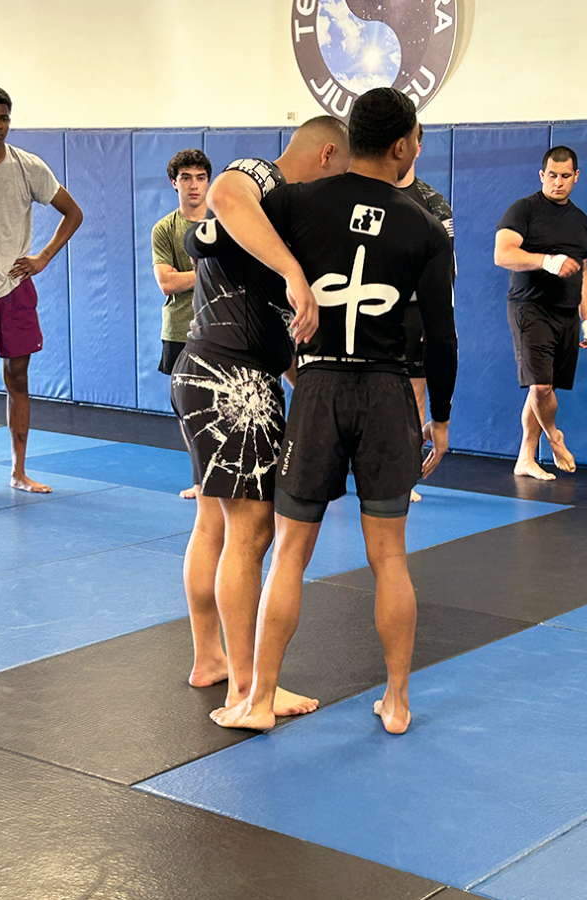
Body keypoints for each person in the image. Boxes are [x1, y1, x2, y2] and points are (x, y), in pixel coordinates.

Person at [208, 87, 457, 736]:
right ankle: (397, 702)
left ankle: (258, 699)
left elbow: (223, 221)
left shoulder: (294, 202)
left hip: (317, 389)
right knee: (389, 557)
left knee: (289, 552)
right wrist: (440, 418)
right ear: (402, 146)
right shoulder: (425, 226)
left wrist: (291, 284)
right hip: (382, 392)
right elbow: (441, 333)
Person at [170, 116, 350, 718]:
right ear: (327, 155)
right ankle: (248, 689)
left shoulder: (279, 224)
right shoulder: (262, 177)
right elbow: (222, 194)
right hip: (231, 379)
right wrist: (297, 276)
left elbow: (278, 334)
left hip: (218, 370)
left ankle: (211, 660)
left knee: (215, 527)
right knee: (252, 532)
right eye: (342, 173)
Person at [0, 84, 83, 492]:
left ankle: (18, 472)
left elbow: (73, 213)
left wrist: (42, 258)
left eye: (3, 117)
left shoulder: (27, 167)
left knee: (18, 376)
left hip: (16, 286)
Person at [494, 146, 587, 481]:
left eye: (566, 176)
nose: (558, 182)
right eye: (552, 175)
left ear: (576, 177)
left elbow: (583, 273)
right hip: (529, 307)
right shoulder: (523, 209)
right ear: (542, 175)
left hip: (566, 312)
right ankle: (554, 436)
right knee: (540, 387)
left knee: (544, 388)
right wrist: (546, 261)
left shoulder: (580, 220)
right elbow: (503, 253)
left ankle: (525, 458)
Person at [396, 122, 455, 501]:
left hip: (415, 311)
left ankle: (404, 475)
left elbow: (444, 272)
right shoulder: (360, 196)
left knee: (415, 393)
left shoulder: (432, 203)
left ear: (417, 147)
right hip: (364, 309)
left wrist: (432, 319)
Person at [151, 148, 212, 499]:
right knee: (186, 408)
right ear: (174, 182)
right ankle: (200, 479)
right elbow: (167, 283)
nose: (193, 185)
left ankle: (220, 476)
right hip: (178, 328)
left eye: (200, 178)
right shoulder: (166, 229)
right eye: (186, 177)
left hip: (220, 326)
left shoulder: (224, 223)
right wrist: (208, 271)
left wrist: (186, 274)